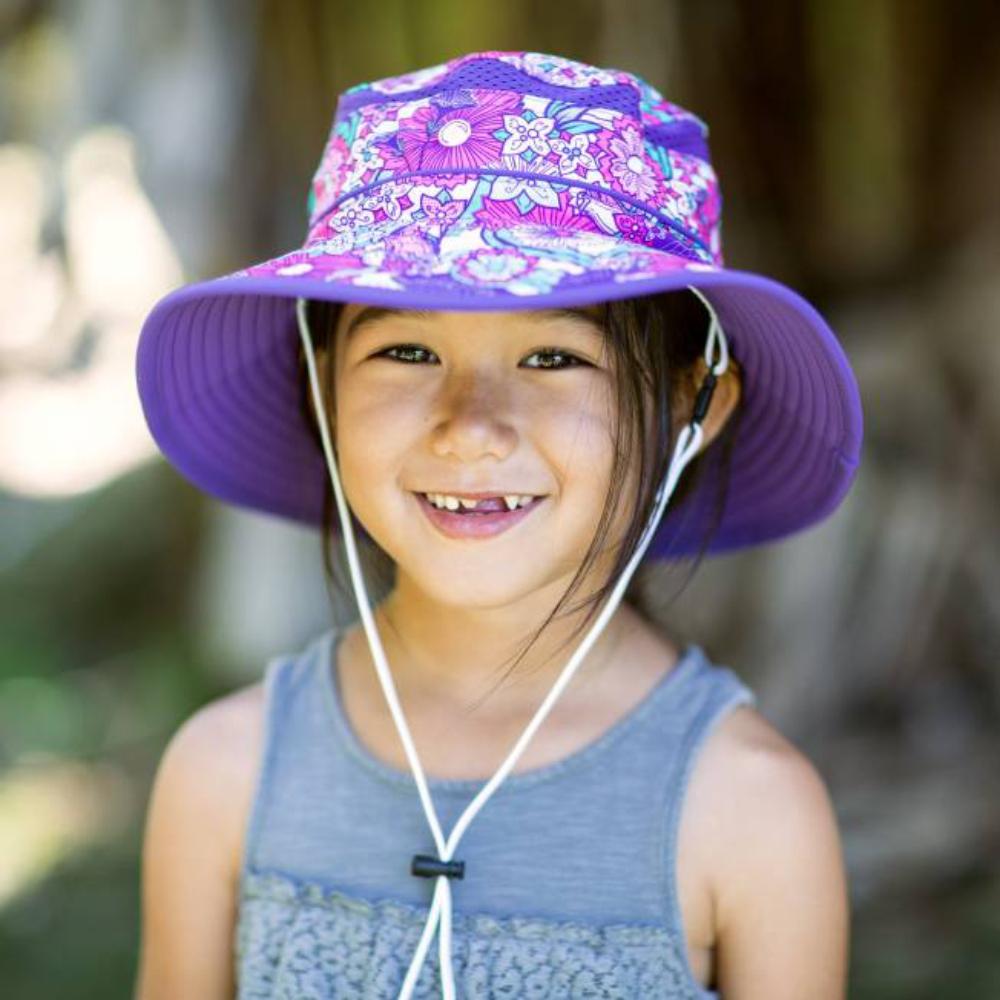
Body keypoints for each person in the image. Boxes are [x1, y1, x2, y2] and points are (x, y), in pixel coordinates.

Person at [132, 50, 862, 999]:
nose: (472, 426)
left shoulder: (749, 812)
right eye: (405, 348)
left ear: (694, 407)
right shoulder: (225, 774)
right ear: (322, 390)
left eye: (555, 358)